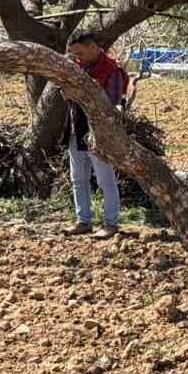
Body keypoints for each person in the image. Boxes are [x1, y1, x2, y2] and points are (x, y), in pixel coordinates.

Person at [64, 31, 129, 238]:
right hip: (76, 128)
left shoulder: (112, 70)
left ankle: (110, 224)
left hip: (99, 132)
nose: (78, 58)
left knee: (104, 180)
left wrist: (80, 94)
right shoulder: (77, 67)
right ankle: (83, 221)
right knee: (78, 179)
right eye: (74, 54)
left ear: (93, 47)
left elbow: (110, 103)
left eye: (80, 53)